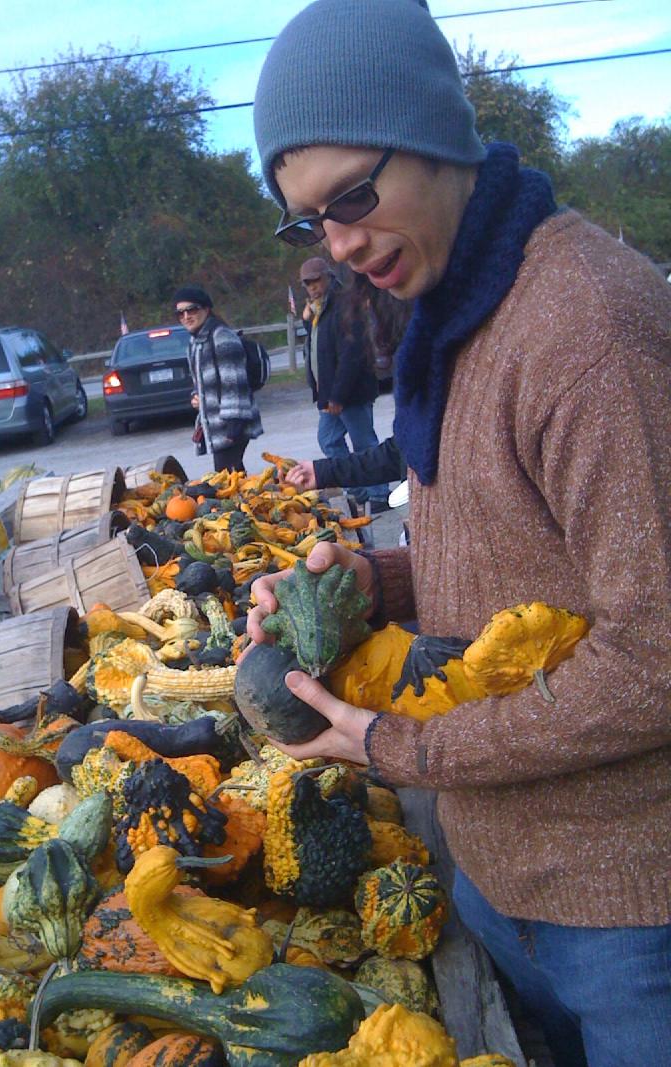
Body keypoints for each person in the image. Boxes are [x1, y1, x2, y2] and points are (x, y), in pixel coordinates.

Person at [249, 2, 671, 1065]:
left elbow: (655, 653)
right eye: (306, 221)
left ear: (437, 135)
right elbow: (519, 551)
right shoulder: (459, 308)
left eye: (351, 196)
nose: (338, 242)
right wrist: (369, 584)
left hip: (628, 910)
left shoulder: (588, 330)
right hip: (501, 884)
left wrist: (399, 746)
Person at [299, 256, 390, 512]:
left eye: (316, 280)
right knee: (328, 439)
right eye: (307, 283)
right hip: (329, 395)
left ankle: (379, 495)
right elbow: (321, 350)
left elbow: (352, 354)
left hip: (352, 393)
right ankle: (358, 490)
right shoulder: (319, 310)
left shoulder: (345, 305)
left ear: (328, 277)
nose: (313, 286)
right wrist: (307, 320)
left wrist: (338, 396)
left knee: (364, 443)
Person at [174, 286, 263, 472]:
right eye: (180, 313)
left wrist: (234, 426)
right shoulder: (195, 343)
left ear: (206, 309)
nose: (186, 317)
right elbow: (200, 381)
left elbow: (234, 383)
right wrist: (195, 396)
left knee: (226, 478)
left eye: (192, 310)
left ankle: (246, 502)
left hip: (232, 423)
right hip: (214, 424)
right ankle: (248, 501)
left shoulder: (222, 337)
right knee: (233, 475)